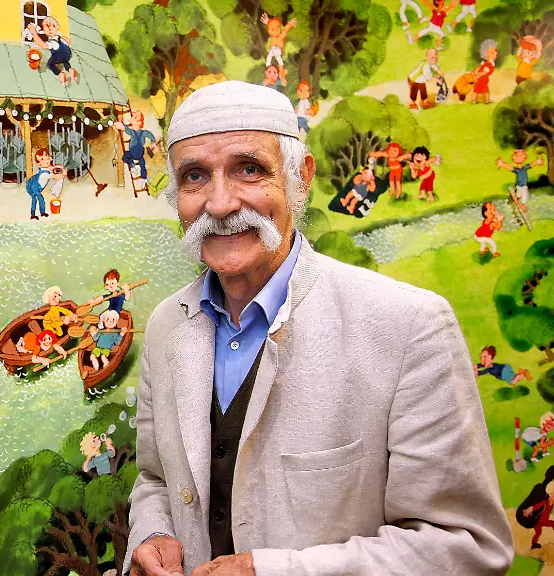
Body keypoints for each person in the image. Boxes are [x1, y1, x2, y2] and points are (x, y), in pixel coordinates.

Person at [124, 81, 511, 576]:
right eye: (195, 176)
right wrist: (152, 532)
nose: (219, 204)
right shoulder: (165, 326)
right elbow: (156, 478)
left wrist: (272, 570)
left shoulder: (409, 326)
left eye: (249, 169)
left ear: (300, 179)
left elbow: (466, 547)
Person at [115, 110, 160, 189]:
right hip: (140, 153)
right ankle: (144, 178)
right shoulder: (143, 132)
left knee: (125, 157)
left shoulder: (133, 132)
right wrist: (153, 142)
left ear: (139, 123)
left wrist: (121, 126)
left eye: (135, 118)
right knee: (142, 164)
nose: (132, 118)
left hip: (134, 152)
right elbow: (149, 135)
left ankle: (132, 166)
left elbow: (126, 129)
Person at [27, 17, 77, 86]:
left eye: (52, 26)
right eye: (47, 28)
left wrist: (34, 33)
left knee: (50, 64)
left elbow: (44, 45)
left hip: (58, 56)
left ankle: (60, 74)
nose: (50, 29)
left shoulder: (53, 41)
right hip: (68, 55)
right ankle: (70, 69)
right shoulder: (60, 37)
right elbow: (68, 41)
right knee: (65, 61)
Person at [24, 149, 65, 220]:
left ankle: (38, 213)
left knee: (35, 199)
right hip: (34, 188)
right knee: (39, 199)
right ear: (39, 164)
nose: (46, 159)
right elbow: (56, 176)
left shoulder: (44, 168)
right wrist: (63, 174)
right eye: (42, 159)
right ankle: (36, 214)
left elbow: (51, 168)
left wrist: (56, 166)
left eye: (46, 155)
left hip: (34, 185)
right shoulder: (44, 174)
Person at [471, 39, 498, 104]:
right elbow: (483, 72)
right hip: (482, 79)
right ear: (487, 54)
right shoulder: (488, 65)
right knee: (483, 91)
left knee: (477, 90)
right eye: (492, 52)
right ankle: (485, 100)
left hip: (482, 79)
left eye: (495, 52)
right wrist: (476, 76)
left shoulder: (486, 62)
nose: (496, 53)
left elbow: (479, 67)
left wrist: (475, 72)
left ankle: (475, 100)